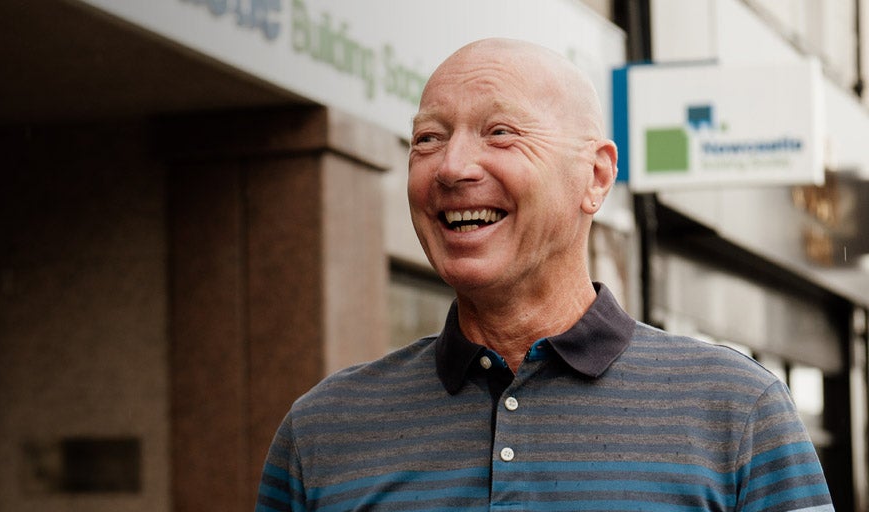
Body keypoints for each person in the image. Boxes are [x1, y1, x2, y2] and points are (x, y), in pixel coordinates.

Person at [255, 38, 833, 511]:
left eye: (500, 132)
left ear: (596, 177)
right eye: (428, 138)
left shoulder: (738, 410)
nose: (453, 166)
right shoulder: (322, 430)